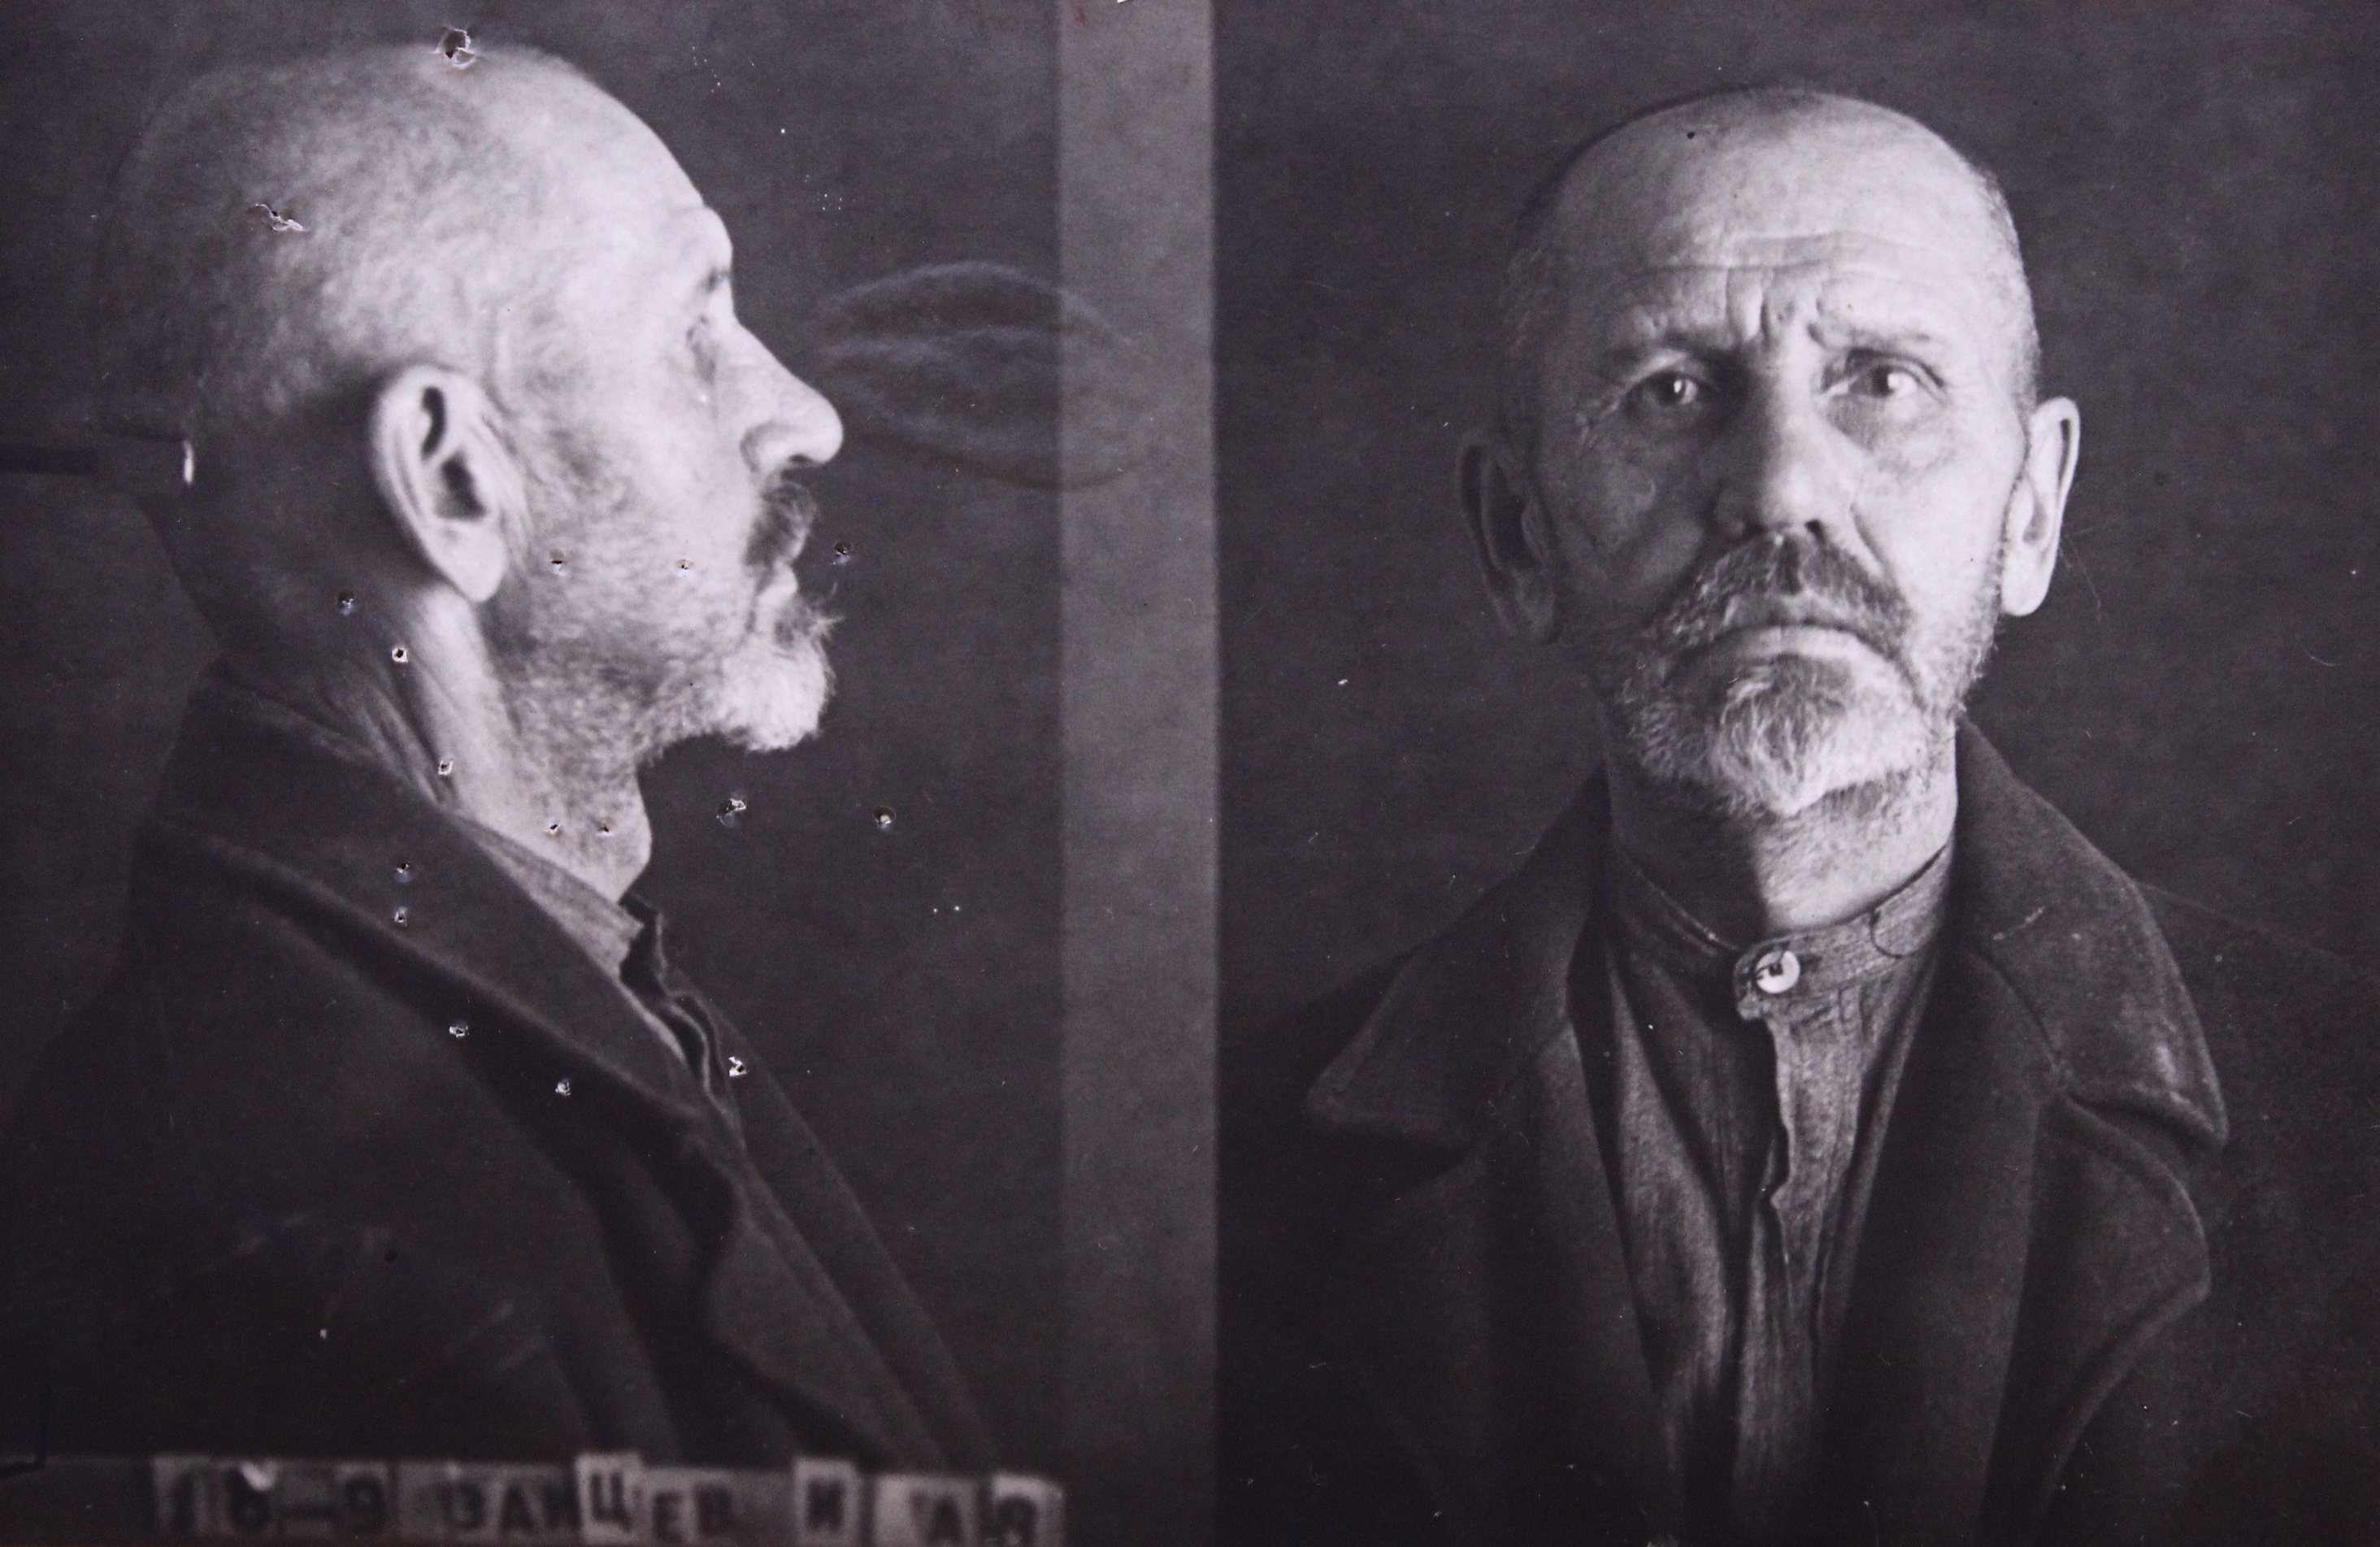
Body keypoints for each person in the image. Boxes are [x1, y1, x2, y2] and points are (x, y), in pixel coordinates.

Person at [1221, 86, 2380, 1547]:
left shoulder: (2355, 1123)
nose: (1780, 491)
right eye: (1670, 392)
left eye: (1882, 381)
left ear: (2032, 510)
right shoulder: (1232, 1176)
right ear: (1519, 536)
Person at [0, 43, 990, 1471]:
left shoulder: (552, 984)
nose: (807, 416)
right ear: (453, 481)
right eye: (697, 332)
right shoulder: (314, 1265)